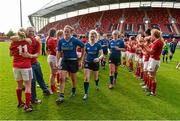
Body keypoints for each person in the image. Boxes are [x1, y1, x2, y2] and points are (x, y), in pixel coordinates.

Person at [56, 25, 85, 103]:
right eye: (65, 31)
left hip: (73, 61)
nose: (66, 33)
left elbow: (83, 47)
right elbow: (58, 52)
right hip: (64, 61)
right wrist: (57, 61)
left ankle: (74, 89)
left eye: (67, 32)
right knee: (62, 78)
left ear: (71, 32)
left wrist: (81, 59)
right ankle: (61, 96)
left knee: (73, 78)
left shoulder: (74, 40)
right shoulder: (61, 41)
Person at [22, 27, 51, 104]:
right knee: (33, 81)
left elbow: (38, 54)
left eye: (32, 31)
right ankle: (33, 99)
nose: (31, 33)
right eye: (29, 31)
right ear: (26, 32)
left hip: (35, 63)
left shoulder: (36, 41)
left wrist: (30, 56)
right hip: (27, 65)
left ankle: (45, 90)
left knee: (40, 78)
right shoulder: (22, 41)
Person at [9, 28, 33, 112]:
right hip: (26, 66)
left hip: (16, 66)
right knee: (27, 86)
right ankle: (27, 106)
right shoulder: (28, 41)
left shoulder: (13, 43)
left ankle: (20, 103)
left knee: (19, 86)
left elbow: (10, 54)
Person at [141, 29, 164, 96]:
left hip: (154, 60)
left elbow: (151, 52)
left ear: (154, 35)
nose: (151, 36)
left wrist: (144, 46)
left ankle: (153, 92)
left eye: (151, 34)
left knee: (152, 76)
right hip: (155, 60)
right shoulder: (158, 41)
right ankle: (150, 89)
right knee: (151, 75)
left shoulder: (157, 42)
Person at [82, 30, 104, 100]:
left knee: (96, 77)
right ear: (89, 36)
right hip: (87, 63)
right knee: (86, 78)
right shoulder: (86, 45)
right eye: (91, 36)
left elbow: (102, 54)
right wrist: (82, 62)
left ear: (96, 37)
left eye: (93, 36)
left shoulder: (98, 45)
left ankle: (96, 84)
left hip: (95, 63)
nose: (92, 37)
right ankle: (86, 93)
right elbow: (84, 54)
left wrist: (98, 58)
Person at [46, 28, 58, 93]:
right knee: (53, 74)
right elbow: (55, 50)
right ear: (54, 33)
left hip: (53, 57)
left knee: (53, 73)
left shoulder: (51, 39)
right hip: (53, 57)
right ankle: (52, 88)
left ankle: (53, 87)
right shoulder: (51, 40)